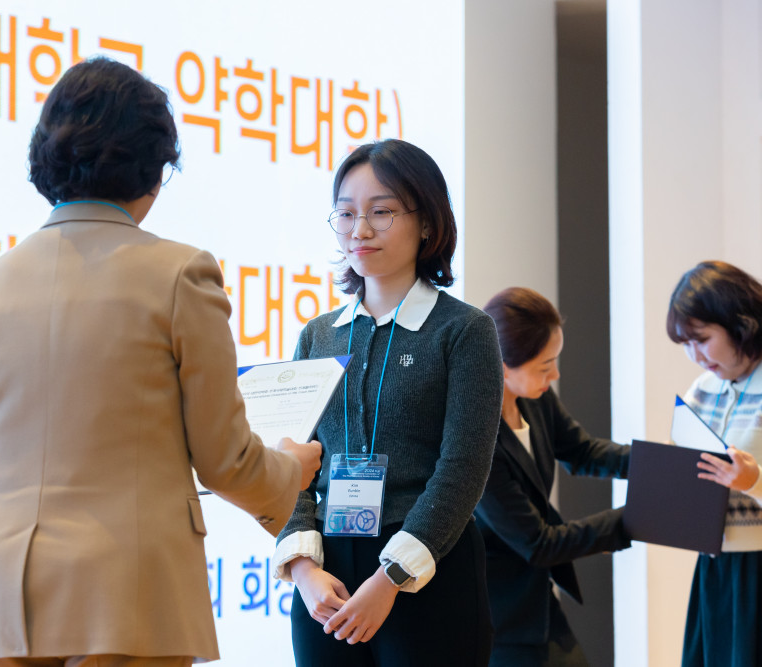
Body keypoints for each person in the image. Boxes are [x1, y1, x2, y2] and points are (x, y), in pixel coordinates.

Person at [0, 57, 322, 667]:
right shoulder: (181, 274)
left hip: (3, 589)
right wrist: (290, 469)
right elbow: (224, 458)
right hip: (126, 587)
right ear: (153, 167)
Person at [272, 139, 504, 666]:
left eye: (381, 212)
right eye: (346, 213)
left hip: (428, 570)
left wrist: (390, 578)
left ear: (427, 223)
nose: (360, 230)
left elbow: (463, 469)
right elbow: (289, 462)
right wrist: (304, 570)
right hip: (326, 578)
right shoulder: (318, 336)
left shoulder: (464, 331)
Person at [475, 287, 631, 667]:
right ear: (501, 365)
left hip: (538, 604)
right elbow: (537, 543)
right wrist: (632, 520)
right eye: (545, 366)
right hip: (499, 616)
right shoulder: (477, 439)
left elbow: (583, 451)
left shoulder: (535, 398)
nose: (555, 375)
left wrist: (658, 465)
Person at [666, 260, 762, 667]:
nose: (695, 356)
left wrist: (753, 480)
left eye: (702, 339)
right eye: (685, 344)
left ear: (742, 324)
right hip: (714, 566)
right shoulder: (704, 389)